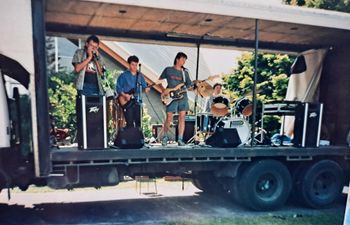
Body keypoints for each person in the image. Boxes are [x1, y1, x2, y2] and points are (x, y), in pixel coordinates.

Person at [159, 52, 192, 146]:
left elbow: (189, 86)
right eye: (182, 59)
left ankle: (180, 139)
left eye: (185, 60)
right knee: (169, 117)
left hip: (183, 96)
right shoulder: (168, 70)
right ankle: (165, 137)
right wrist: (164, 90)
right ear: (177, 59)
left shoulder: (185, 72)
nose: (184, 62)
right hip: (171, 96)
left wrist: (194, 86)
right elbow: (159, 81)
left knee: (182, 117)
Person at [116, 55, 150, 128]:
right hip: (127, 101)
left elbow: (145, 87)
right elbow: (118, 88)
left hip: (136, 101)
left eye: (136, 65)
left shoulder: (140, 75)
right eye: (132, 64)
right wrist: (125, 95)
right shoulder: (123, 75)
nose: (134, 66)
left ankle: (138, 137)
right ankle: (130, 137)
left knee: (138, 122)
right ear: (129, 64)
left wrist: (146, 89)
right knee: (129, 122)